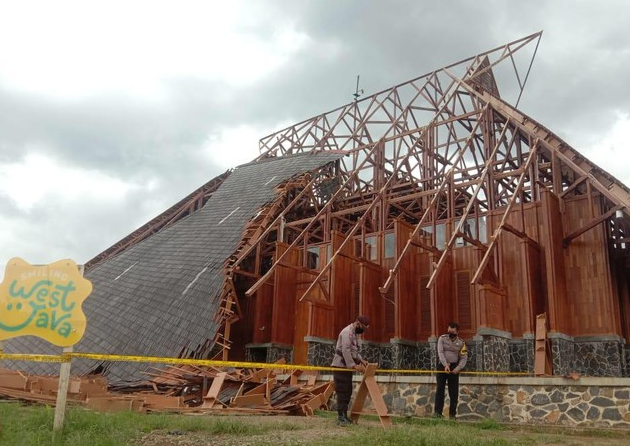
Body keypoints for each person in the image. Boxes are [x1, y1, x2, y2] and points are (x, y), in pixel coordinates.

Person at [331, 315, 370, 426]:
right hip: (340, 366)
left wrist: (362, 360)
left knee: (348, 391)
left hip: (347, 367)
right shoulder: (346, 332)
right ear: (358, 323)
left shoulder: (355, 334)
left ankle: (344, 416)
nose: (363, 331)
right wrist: (354, 365)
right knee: (342, 391)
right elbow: (346, 350)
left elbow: (354, 351)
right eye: (363, 328)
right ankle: (340, 417)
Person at [434, 322, 467, 419]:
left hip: (454, 368)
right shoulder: (442, 338)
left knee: (453, 392)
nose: (450, 333)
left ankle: (452, 415)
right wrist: (445, 364)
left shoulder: (461, 342)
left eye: (452, 332)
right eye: (449, 331)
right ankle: (437, 414)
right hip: (442, 366)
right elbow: (440, 352)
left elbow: (464, 358)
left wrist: (458, 368)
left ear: (457, 332)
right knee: (440, 390)